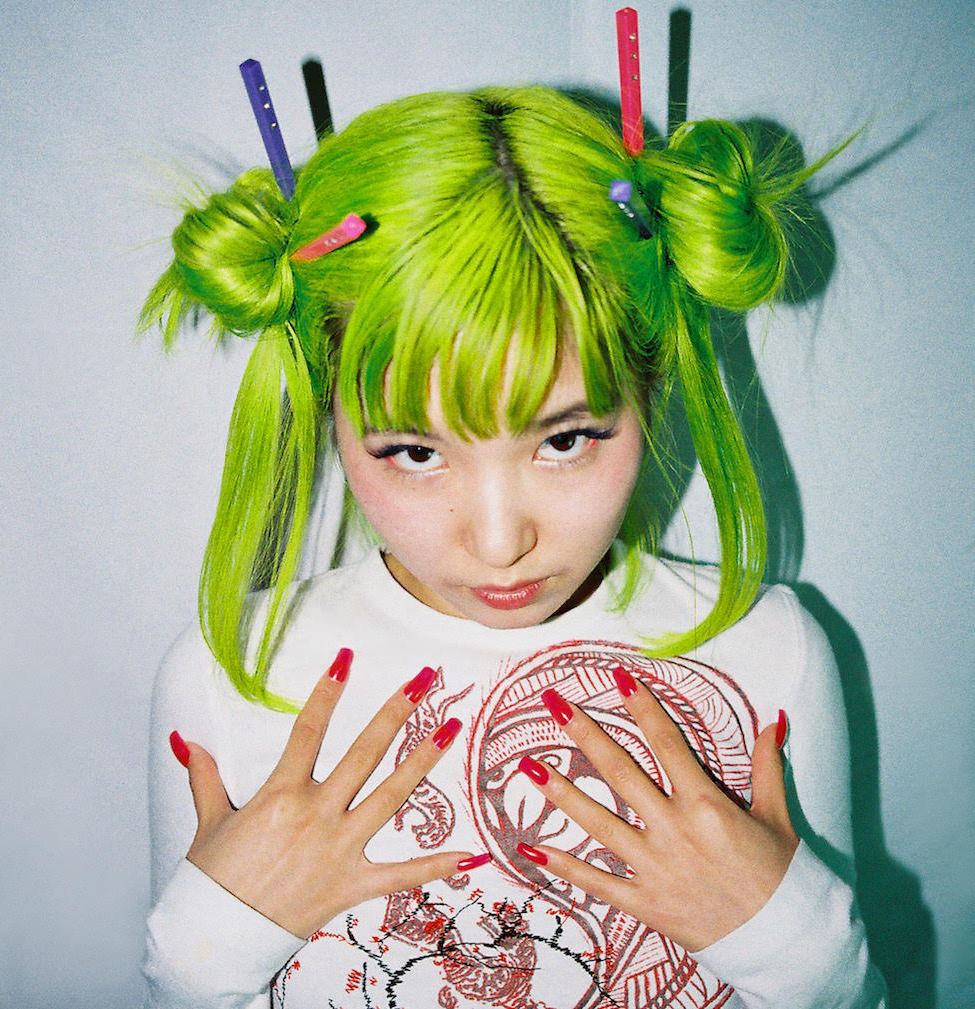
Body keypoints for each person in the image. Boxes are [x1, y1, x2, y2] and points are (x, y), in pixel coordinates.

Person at [139, 84, 886, 1008]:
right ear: (327, 411)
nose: (500, 542)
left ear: (651, 389)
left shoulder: (769, 649)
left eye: (565, 439)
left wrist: (804, 953)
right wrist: (203, 954)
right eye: (416, 452)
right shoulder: (231, 669)